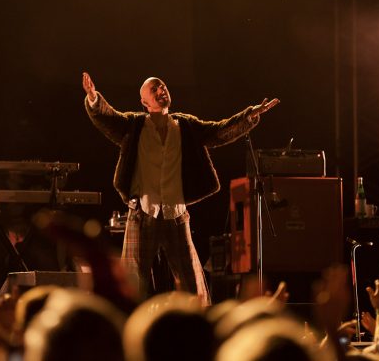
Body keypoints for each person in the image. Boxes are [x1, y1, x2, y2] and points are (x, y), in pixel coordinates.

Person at [82, 73, 279, 305]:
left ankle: (198, 330)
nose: (161, 90)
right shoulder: (134, 126)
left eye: (162, 86)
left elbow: (218, 131)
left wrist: (250, 115)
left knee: (192, 284)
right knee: (133, 282)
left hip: (176, 215)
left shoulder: (184, 125)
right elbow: (108, 118)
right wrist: (94, 98)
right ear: (144, 103)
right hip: (142, 215)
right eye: (154, 89)